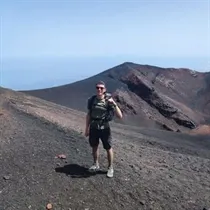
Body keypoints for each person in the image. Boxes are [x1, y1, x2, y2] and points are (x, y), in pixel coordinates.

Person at [85, 81, 123, 178]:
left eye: (101, 88)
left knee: (108, 147)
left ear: (105, 90)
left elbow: (120, 116)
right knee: (94, 146)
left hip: (105, 128)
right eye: (97, 87)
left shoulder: (108, 101)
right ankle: (95, 164)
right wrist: (87, 128)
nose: (99, 89)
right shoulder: (92, 100)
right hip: (94, 127)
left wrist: (114, 104)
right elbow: (89, 115)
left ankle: (110, 168)